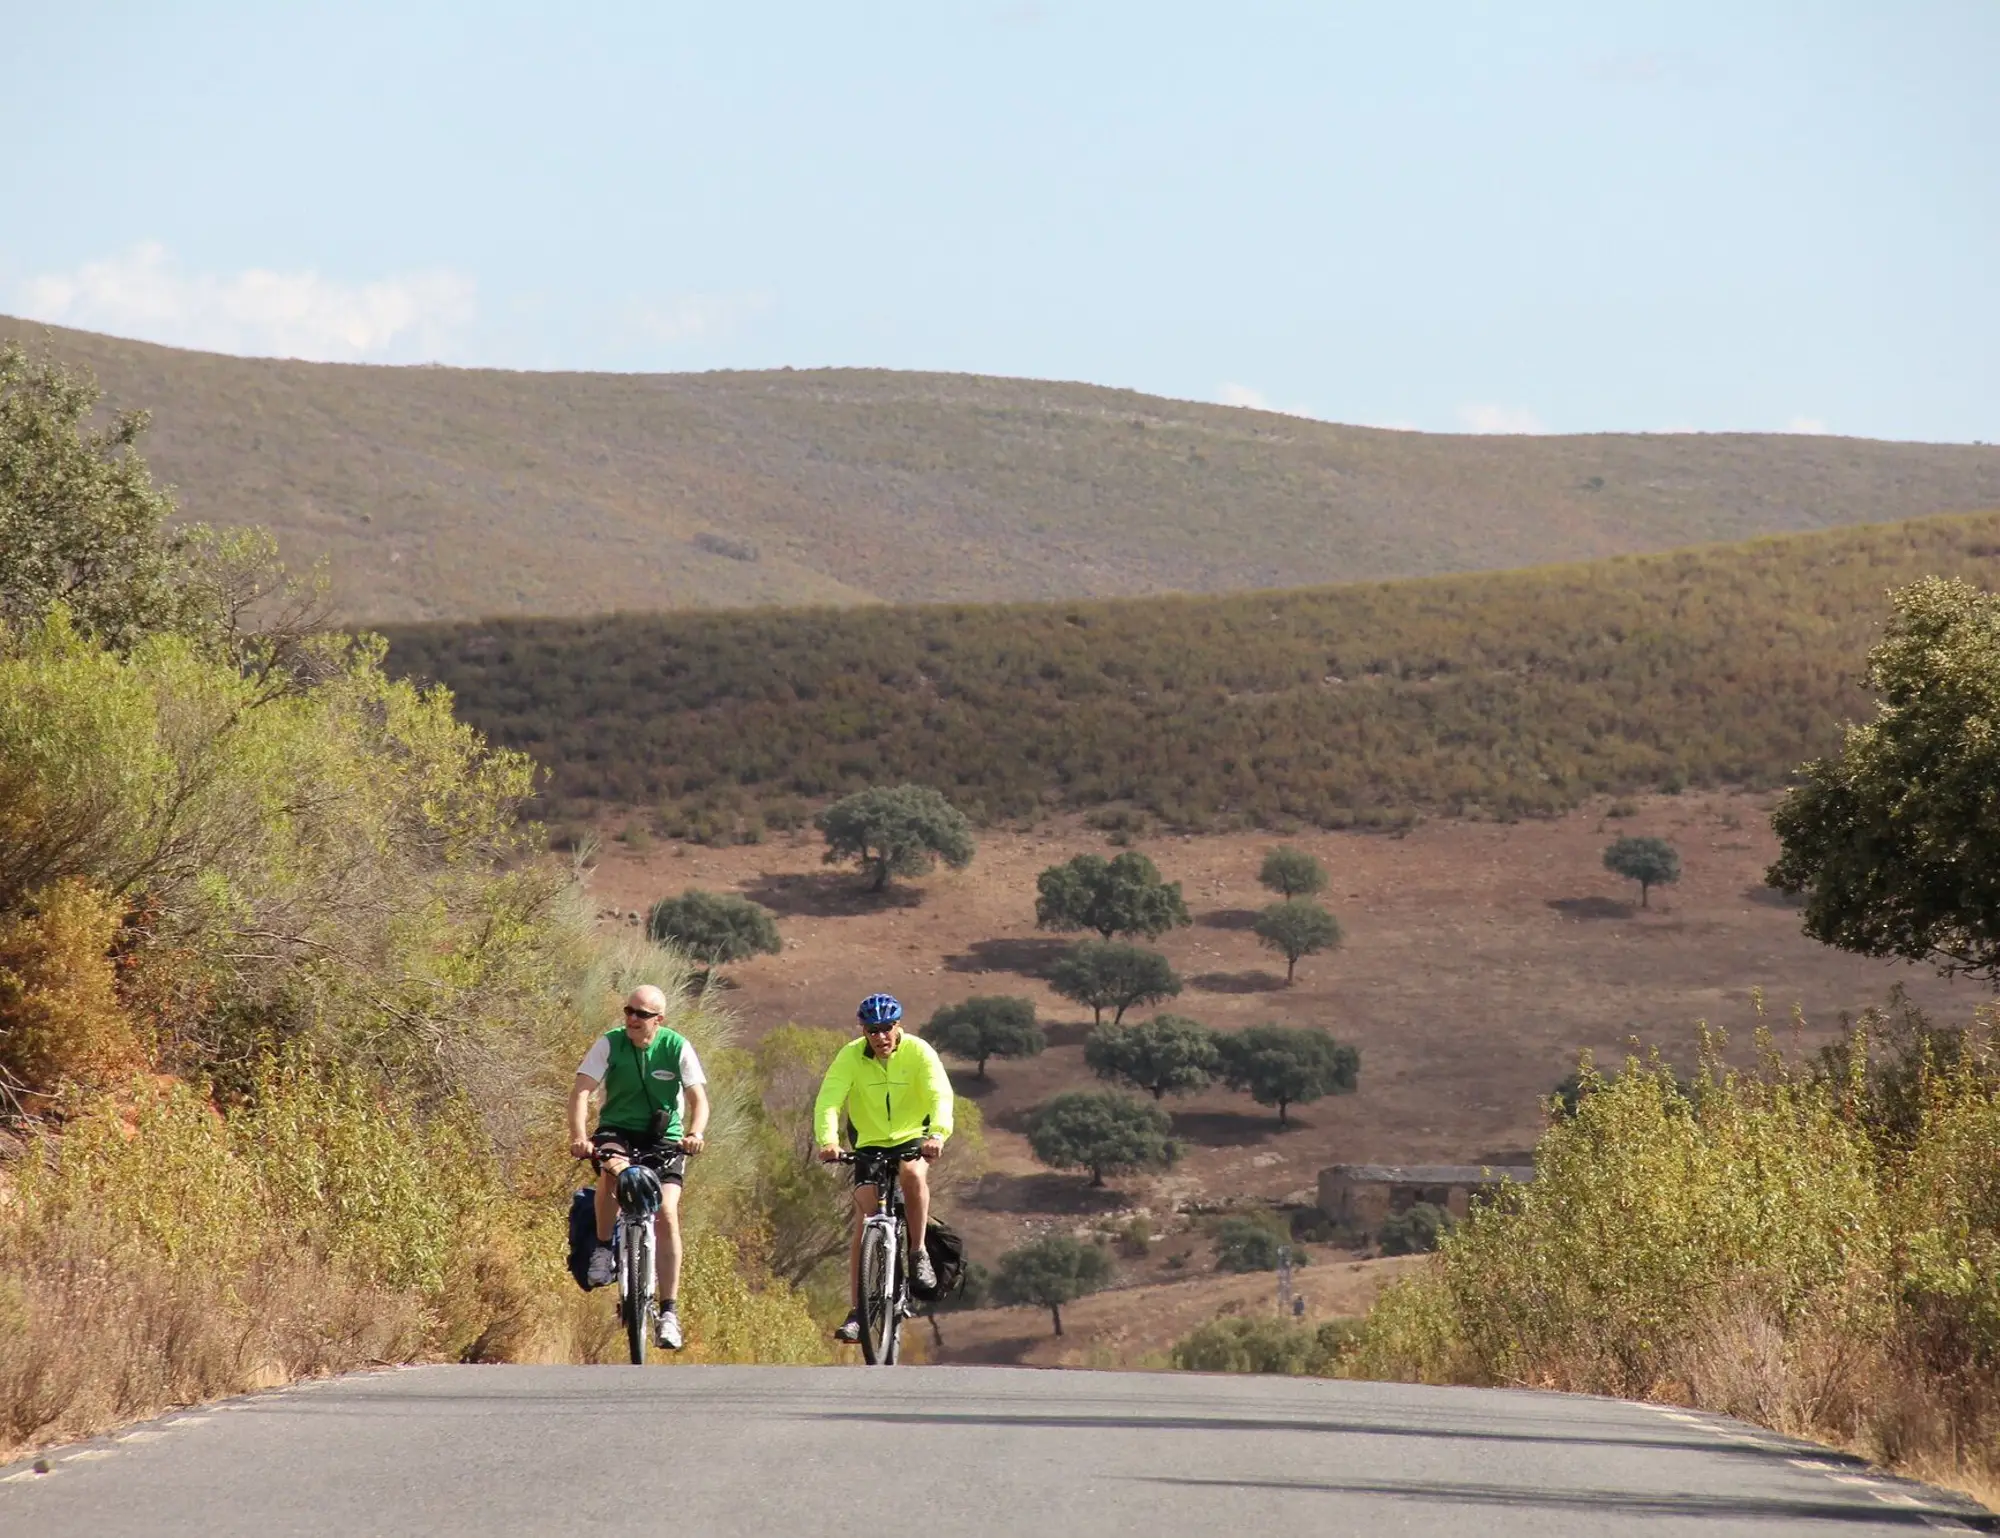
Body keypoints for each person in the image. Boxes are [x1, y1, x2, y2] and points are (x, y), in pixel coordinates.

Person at [568, 984, 708, 1350]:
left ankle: (669, 1313)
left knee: (666, 1212)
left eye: (641, 1015)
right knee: (610, 1173)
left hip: (666, 1139)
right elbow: (581, 1090)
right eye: (628, 1011)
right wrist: (580, 1137)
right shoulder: (610, 1043)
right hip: (617, 1132)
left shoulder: (676, 1046)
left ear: (658, 1020)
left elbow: (698, 1099)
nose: (632, 1019)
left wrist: (695, 1132)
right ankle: (602, 1248)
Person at [813, 992, 954, 1344]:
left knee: (912, 1174)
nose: (880, 1037)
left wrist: (937, 1134)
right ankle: (859, 1312)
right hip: (869, 1141)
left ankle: (917, 1250)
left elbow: (940, 1095)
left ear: (898, 1026)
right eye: (872, 1030)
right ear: (863, 1031)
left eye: (886, 1029)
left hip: (914, 1136)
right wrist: (828, 1141)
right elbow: (829, 1099)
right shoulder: (849, 1056)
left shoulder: (919, 1052)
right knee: (864, 1219)